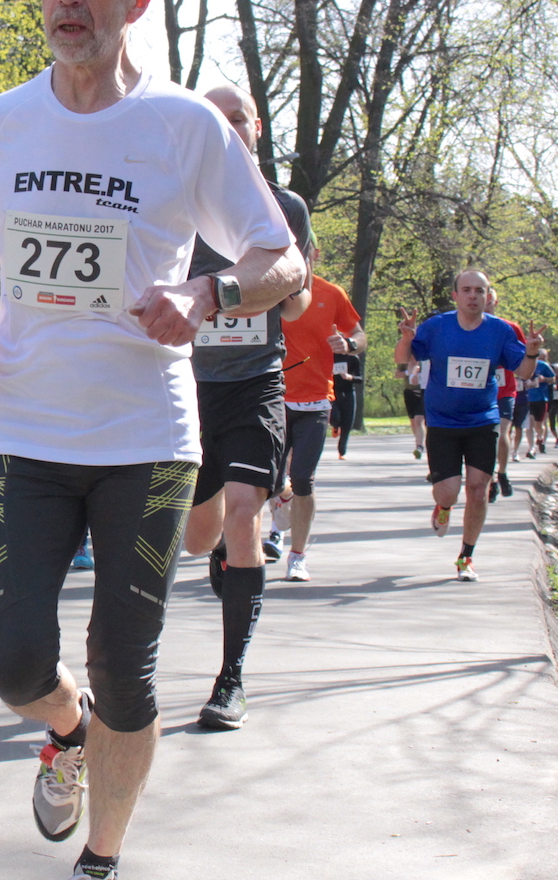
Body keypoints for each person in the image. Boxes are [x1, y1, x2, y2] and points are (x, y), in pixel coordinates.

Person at [0, 0, 305, 880]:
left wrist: (207, 293)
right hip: (25, 427)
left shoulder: (184, 126)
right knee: (12, 658)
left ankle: (100, 857)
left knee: (125, 665)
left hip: (147, 436)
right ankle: (68, 730)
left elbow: (283, 259)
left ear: (134, 1)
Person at [183, 83, 312, 731]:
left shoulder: (285, 207)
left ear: (257, 127)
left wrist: (283, 292)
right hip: (188, 388)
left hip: (257, 385)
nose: (229, 127)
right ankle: (225, 555)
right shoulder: (179, 201)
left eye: (239, 118)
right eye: (216, 118)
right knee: (196, 537)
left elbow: (300, 299)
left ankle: (230, 678)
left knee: (243, 515)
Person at [394, 270, 543, 582]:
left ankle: (466, 557)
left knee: (478, 489)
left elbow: (524, 371)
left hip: (482, 419)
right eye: (467, 290)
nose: (473, 296)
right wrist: (406, 338)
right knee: (447, 492)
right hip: (442, 421)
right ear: (456, 296)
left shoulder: (500, 330)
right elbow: (402, 360)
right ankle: (444, 507)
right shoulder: (437, 326)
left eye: (479, 290)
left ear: (488, 296)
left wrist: (530, 351)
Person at [268, 238, 366, 581]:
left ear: (315, 255)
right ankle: (281, 498)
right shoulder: (268, 292)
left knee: (303, 479)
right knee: (270, 479)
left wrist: (349, 344)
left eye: (304, 250)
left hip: (315, 401)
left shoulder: (331, 293)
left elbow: (359, 335)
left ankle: (297, 557)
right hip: (273, 398)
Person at [484, 287, 525, 501]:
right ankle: (490, 480)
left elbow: (523, 359)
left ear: (496, 302)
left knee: (501, 432)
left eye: (491, 299)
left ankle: (502, 472)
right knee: (486, 437)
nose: (487, 303)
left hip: (504, 389)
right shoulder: (467, 327)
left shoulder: (511, 327)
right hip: (479, 391)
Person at [330, 350, 362, 459]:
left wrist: (350, 377)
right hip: (333, 392)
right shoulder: (330, 356)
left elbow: (360, 378)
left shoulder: (353, 358)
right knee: (334, 417)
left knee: (347, 424)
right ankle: (335, 426)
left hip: (348, 392)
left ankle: (342, 452)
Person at [525, 349, 555, 454]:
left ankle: (540, 437)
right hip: (527, 398)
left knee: (539, 424)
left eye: (544, 357)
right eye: (540, 356)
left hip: (541, 398)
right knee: (529, 423)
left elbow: (553, 379)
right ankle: (531, 448)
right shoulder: (526, 365)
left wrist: (545, 379)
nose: (542, 359)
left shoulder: (544, 366)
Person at [396, 359, 426, 459]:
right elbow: (397, 374)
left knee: (419, 419)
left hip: (423, 391)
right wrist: (408, 372)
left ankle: (419, 446)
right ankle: (419, 442)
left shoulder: (425, 360)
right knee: (413, 421)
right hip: (409, 392)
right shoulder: (405, 359)